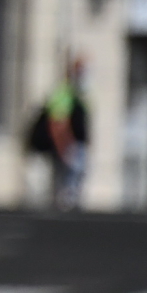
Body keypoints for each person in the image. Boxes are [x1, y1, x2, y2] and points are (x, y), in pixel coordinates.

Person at [29, 56, 89, 210]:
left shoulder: (80, 94)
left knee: (74, 184)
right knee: (64, 187)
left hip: (77, 147)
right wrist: (65, 149)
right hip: (68, 148)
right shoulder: (63, 93)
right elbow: (58, 125)